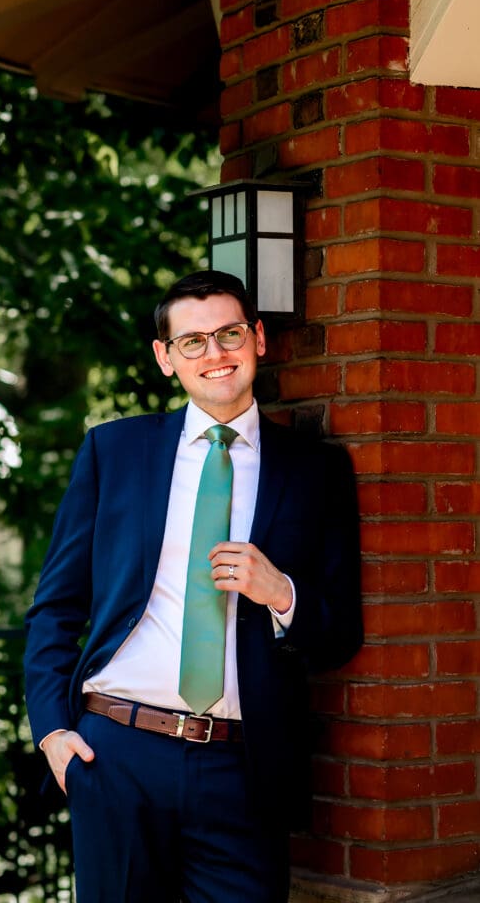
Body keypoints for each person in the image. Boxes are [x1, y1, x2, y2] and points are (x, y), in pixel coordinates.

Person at [24, 269, 362, 903]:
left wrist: (281, 592)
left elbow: (340, 634)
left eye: (230, 334)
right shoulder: (113, 453)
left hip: (245, 768)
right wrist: (53, 735)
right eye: (193, 342)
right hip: (116, 756)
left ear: (258, 339)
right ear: (165, 357)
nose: (216, 354)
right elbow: (54, 610)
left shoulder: (316, 470)